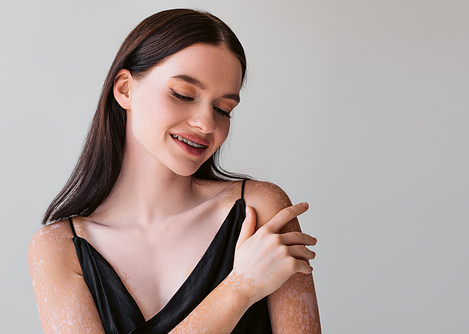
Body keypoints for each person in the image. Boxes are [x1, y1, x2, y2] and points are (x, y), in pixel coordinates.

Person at [28, 8, 321, 334]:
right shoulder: (58, 249)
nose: (206, 124)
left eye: (223, 110)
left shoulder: (259, 209)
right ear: (125, 89)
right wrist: (240, 288)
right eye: (183, 95)